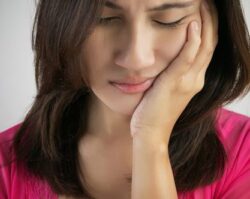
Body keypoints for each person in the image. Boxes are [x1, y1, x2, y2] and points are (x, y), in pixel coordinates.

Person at [0, 0, 250, 198]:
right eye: (104, 19)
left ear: (215, 26)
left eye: (168, 21)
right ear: (60, 24)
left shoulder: (244, 152)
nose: (135, 58)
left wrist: (151, 141)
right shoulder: (6, 164)